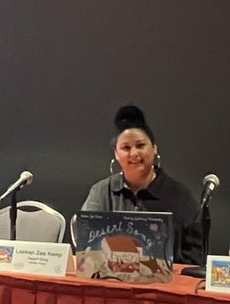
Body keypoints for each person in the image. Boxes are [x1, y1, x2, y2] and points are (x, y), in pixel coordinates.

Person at [81, 105, 203, 266]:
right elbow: (86, 244)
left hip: (164, 287)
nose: (134, 154)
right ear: (116, 155)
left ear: (154, 149)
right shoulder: (101, 192)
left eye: (140, 145)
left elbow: (195, 257)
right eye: (126, 148)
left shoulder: (180, 196)